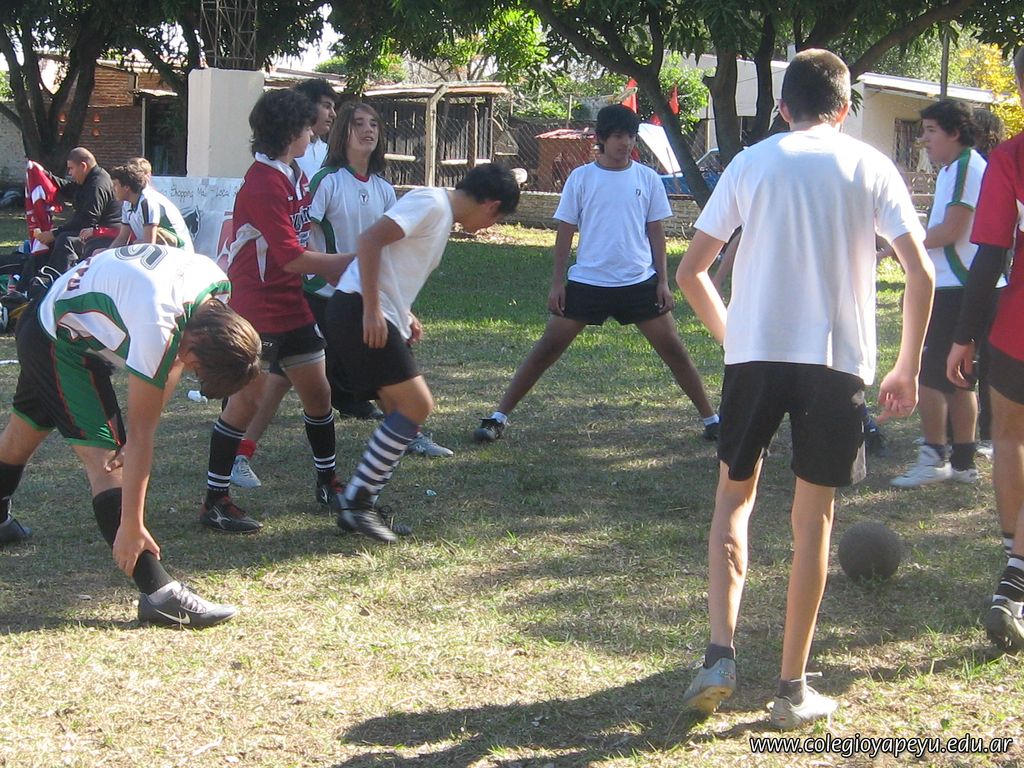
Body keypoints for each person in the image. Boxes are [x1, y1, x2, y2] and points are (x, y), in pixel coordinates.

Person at [676, 49, 933, 729]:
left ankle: (719, 656)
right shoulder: (870, 166)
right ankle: (791, 689)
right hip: (835, 363)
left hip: (756, 358)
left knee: (733, 500)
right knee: (812, 521)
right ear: (844, 109)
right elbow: (921, 273)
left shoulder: (751, 162)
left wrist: (736, 338)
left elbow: (691, 273)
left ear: (784, 107)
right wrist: (906, 365)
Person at [0, 244, 262, 628]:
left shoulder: (213, 290)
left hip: (54, 318)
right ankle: (159, 594)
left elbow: (172, 361)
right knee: (108, 464)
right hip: (62, 341)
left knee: (20, 436)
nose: (189, 370)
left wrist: (145, 421)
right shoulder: (161, 322)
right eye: (197, 367)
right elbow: (141, 434)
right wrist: (131, 524)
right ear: (202, 339)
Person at [472, 104, 719, 445]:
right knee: (547, 348)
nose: (625, 143)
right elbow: (564, 233)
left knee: (674, 349)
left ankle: (712, 420)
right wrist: (557, 284)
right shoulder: (581, 178)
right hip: (588, 282)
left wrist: (662, 281)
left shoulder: (647, 178)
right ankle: (498, 417)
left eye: (630, 136)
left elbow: (656, 233)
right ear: (601, 138)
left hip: (638, 282)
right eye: (617, 136)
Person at [324, 164, 521, 542]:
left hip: (370, 311)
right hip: (358, 310)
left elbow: (395, 263)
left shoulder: (441, 214)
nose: (490, 226)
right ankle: (357, 502)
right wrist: (371, 309)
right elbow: (369, 241)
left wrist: (404, 313)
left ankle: (360, 505)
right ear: (492, 205)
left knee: (400, 409)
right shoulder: (431, 203)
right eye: (497, 218)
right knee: (417, 406)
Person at [198, 88, 352, 533]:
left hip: (290, 304)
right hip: (257, 309)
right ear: (289, 132)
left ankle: (327, 483)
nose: (312, 133)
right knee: (245, 402)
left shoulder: (293, 173)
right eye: (306, 127)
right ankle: (215, 501)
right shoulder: (263, 183)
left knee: (319, 394)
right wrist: (351, 263)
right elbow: (290, 257)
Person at [947, 48, 1024, 653]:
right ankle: (1017, 576)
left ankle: (1014, 566)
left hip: (1015, 330)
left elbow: (990, 255)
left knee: (1011, 441)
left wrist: (964, 336)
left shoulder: (1012, 157)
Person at [888, 100, 996, 488]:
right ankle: (963, 463)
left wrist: (901, 244)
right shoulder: (954, 168)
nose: (924, 139)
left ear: (954, 132)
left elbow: (952, 231)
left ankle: (934, 457)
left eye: (931, 130)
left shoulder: (966, 166)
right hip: (957, 285)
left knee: (931, 375)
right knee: (957, 375)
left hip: (958, 285)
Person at [36, 147, 121, 272]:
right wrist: (45, 175)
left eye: (71, 168)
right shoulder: (88, 179)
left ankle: (61, 277)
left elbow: (88, 219)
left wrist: (54, 234)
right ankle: (34, 277)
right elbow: (70, 189)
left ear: (83, 166)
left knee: (65, 240)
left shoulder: (97, 185)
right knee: (52, 240)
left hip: (105, 235)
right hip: (90, 231)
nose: (70, 173)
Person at [108, 158, 194, 252]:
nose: (113, 189)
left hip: (179, 253)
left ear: (126, 187)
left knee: (136, 246)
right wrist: (104, 254)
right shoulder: (127, 203)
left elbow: (149, 245)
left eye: (115, 185)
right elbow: (122, 238)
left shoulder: (147, 201)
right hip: (159, 252)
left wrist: (136, 246)